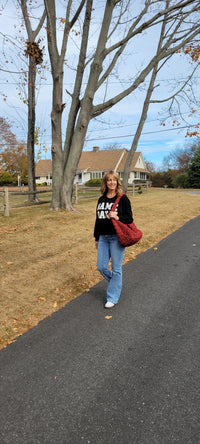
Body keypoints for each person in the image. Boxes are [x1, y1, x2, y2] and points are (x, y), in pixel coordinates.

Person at [94, 170, 133, 308]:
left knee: (116, 269)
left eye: (114, 180)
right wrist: (96, 238)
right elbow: (98, 220)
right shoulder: (101, 199)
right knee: (101, 266)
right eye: (109, 180)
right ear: (105, 182)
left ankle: (112, 297)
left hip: (117, 237)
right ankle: (116, 284)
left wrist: (117, 217)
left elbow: (129, 219)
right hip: (103, 238)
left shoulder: (122, 199)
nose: (111, 182)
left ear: (117, 182)